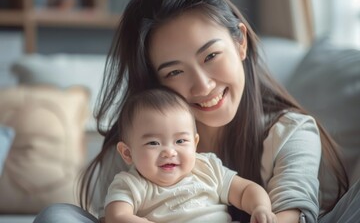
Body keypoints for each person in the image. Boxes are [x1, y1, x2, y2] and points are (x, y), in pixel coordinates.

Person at [33, 0, 360, 223]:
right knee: (58, 216)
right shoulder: (139, 142)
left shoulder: (290, 130)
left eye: (211, 55)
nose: (203, 85)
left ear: (240, 42)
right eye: (175, 71)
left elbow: (287, 216)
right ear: (155, 82)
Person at [104, 88, 276, 223]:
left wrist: (260, 208)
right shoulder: (131, 184)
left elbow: (245, 190)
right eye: (153, 143)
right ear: (127, 153)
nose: (169, 152)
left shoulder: (207, 167)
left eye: (180, 141)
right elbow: (116, 216)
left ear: (194, 143)